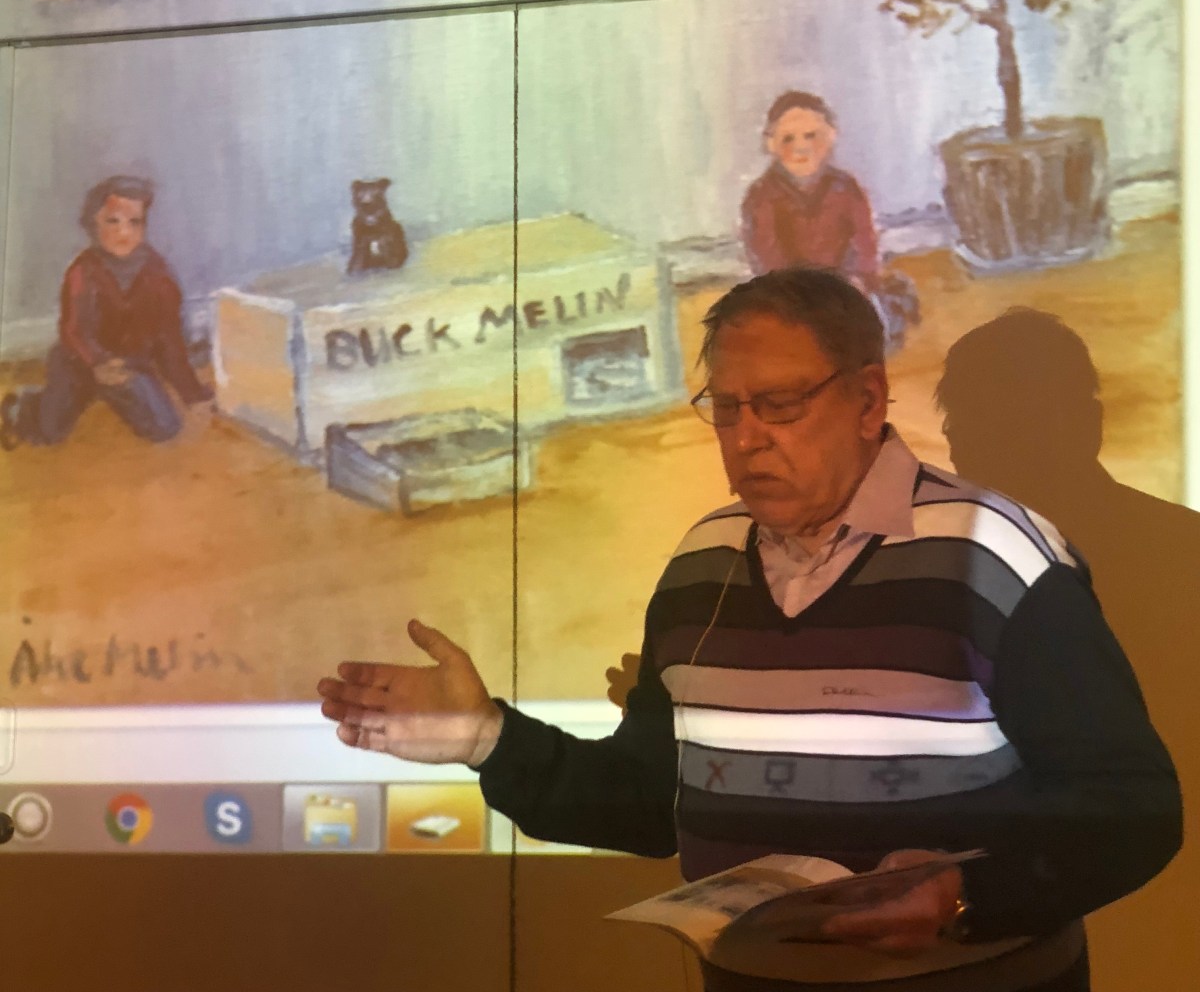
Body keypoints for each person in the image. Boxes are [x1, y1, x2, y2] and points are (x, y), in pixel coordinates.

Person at [317, 268, 1180, 991]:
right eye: (726, 408)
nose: (747, 438)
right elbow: (651, 803)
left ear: (868, 399)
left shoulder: (994, 553)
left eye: (779, 404)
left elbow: (1132, 810)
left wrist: (963, 897)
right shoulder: (702, 566)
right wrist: (484, 737)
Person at [0, 176, 212, 451]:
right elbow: (73, 330)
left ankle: (111, 394)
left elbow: (170, 343)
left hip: (128, 368)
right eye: (113, 221)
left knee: (165, 427)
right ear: (93, 224)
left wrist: (192, 395)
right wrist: (97, 362)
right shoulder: (83, 271)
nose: (124, 232)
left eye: (134, 222)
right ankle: (25, 404)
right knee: (49, 431)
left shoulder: (159, 277)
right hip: (79, 363)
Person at [741, 92, 919, 350]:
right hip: (793, 289)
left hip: (843, 281)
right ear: (771, 143)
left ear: (831, 136)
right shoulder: (762, 197)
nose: (801, 147)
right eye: (788, 139)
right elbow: (767, 255)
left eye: (811, 136)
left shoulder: (845, 188)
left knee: (875, 333)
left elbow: (865, 240)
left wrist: (860, 278)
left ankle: (890, 306)